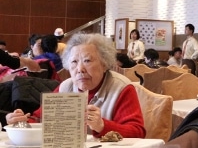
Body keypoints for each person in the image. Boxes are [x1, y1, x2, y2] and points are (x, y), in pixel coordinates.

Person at [6, 33, 146, 138]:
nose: (80, 69)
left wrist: (102, 125)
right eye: (74, 62)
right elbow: (39, 118)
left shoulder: (121, 88)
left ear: (104, 64)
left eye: (87, 61)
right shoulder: (65, 87)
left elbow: (137, 132)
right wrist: (20, 121)